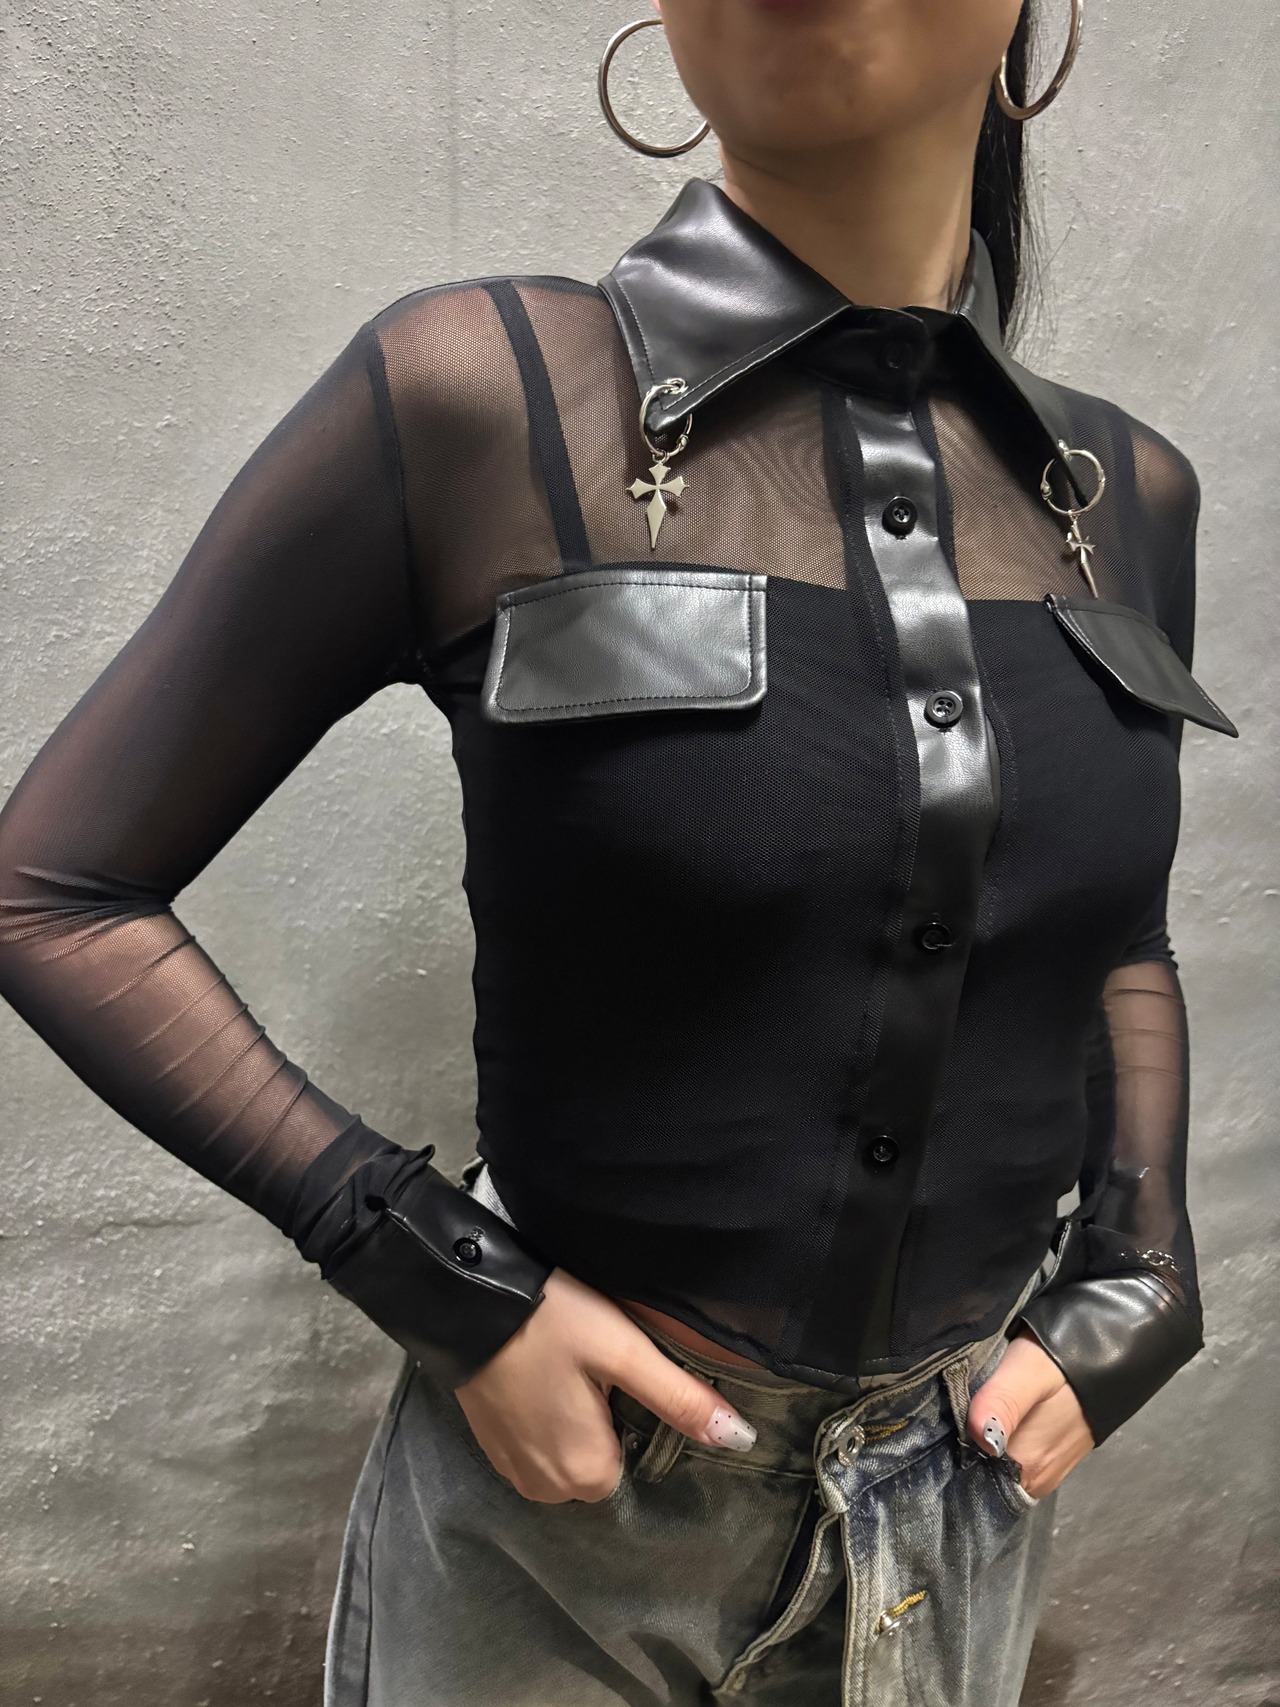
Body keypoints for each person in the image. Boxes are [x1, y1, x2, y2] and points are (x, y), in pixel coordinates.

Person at [0, 1, 1240, 1702]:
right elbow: (55, 890)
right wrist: (436, 1275)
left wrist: (1147, 1262)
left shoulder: (1126, 493)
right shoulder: (475, 393)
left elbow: (1111, 933)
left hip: (958, 1518)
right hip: (560, 1536)